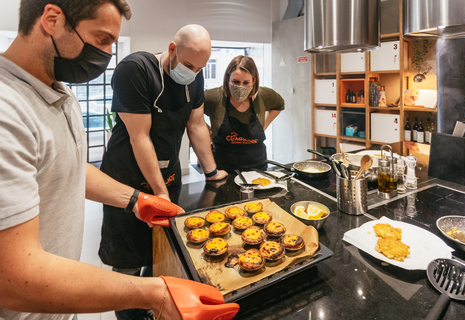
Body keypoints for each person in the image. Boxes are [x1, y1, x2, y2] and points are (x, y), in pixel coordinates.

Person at [0, 1, 238, 320]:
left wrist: (137, 200)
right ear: (52, 20)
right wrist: (156, 295)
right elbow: (14, 278)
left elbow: (67, 167)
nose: (109, 54)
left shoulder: (60, 95)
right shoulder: (7, 110)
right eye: (102, 40)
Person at [98, 24, 228, 319]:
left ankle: (151, 308)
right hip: (127, 179)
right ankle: (130, 313)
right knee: (129, 259)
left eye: (201, 68)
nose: (194, 72)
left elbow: (195, 126)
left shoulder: (192, 79)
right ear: (172, 49)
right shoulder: (136, 70)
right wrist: (159, 193)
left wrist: (212, 172)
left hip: (168, 178)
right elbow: (139, 136)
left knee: (160, 254)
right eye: (190, 65)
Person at [204, 55, 285, 173]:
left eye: (246, 82)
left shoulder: (264, 95)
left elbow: (279, 104)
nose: (240, 87)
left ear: (254, 80)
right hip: (223, 168)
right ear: (227, 79)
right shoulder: (214, 97)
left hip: (257, 167)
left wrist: (264, 125)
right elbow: (190, 110)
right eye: (235, 82)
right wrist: (206, 132)